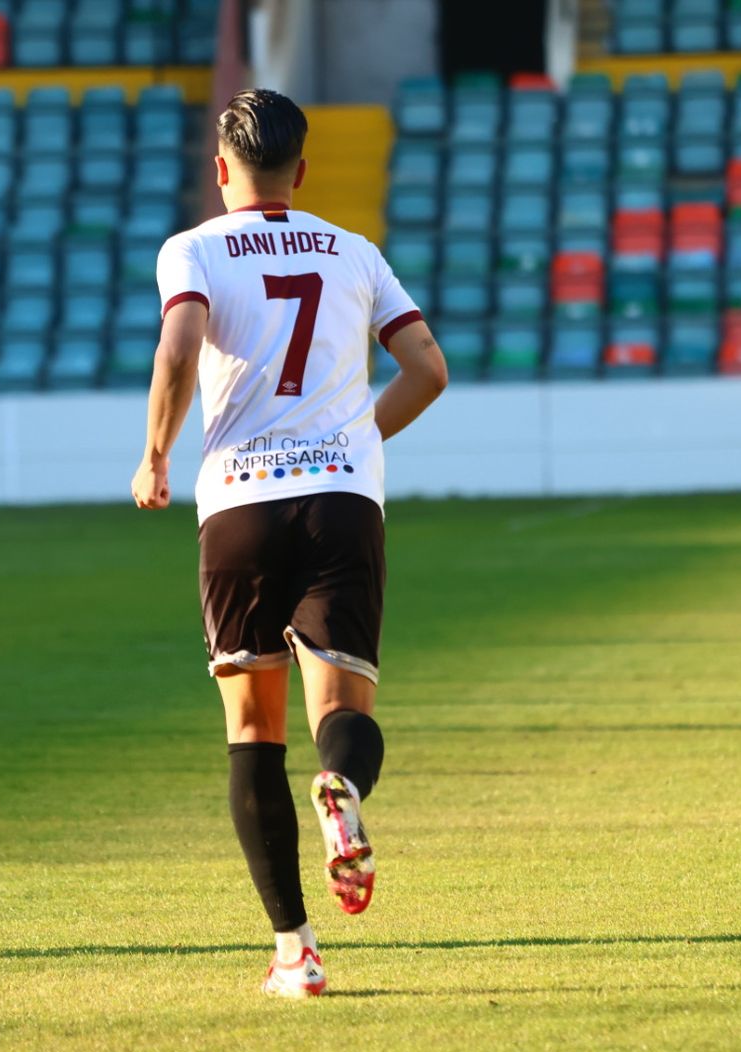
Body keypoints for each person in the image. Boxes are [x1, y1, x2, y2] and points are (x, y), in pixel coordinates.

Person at [131, 88, 448, 998]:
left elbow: (179, 349)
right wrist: (354, 438)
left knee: (253, 731)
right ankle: (342, 787)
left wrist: (155, 453)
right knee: (342, 711)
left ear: (220, 169)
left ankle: (295, 951)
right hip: (341, 498)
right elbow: (427, 368)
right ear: (300, 171)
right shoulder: (354, 251)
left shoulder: (192, 249)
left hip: (241, 502)